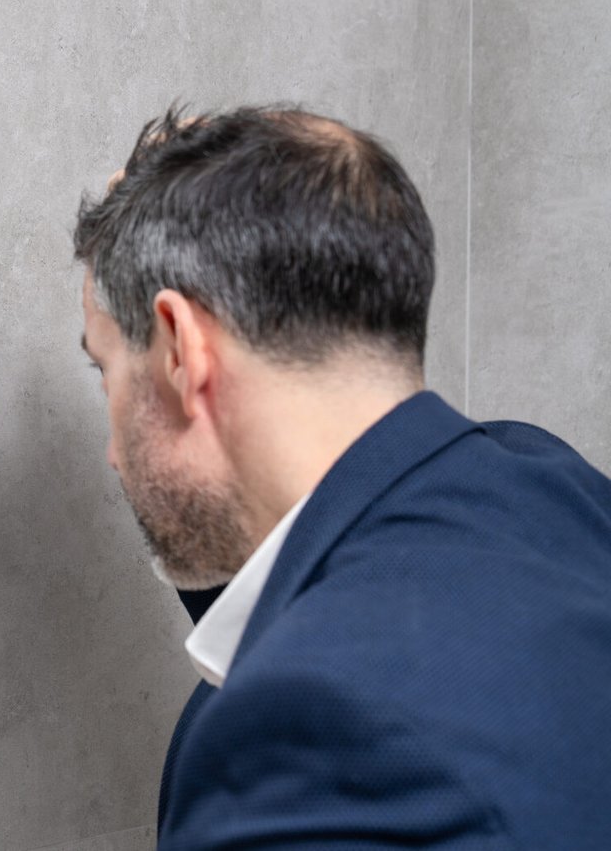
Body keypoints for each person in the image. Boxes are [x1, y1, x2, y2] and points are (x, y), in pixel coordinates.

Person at [75, 107, 611, 848]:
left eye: (106, 370)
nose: (111, 451)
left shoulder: (306, 732)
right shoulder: (549, 485)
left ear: (180, 350)